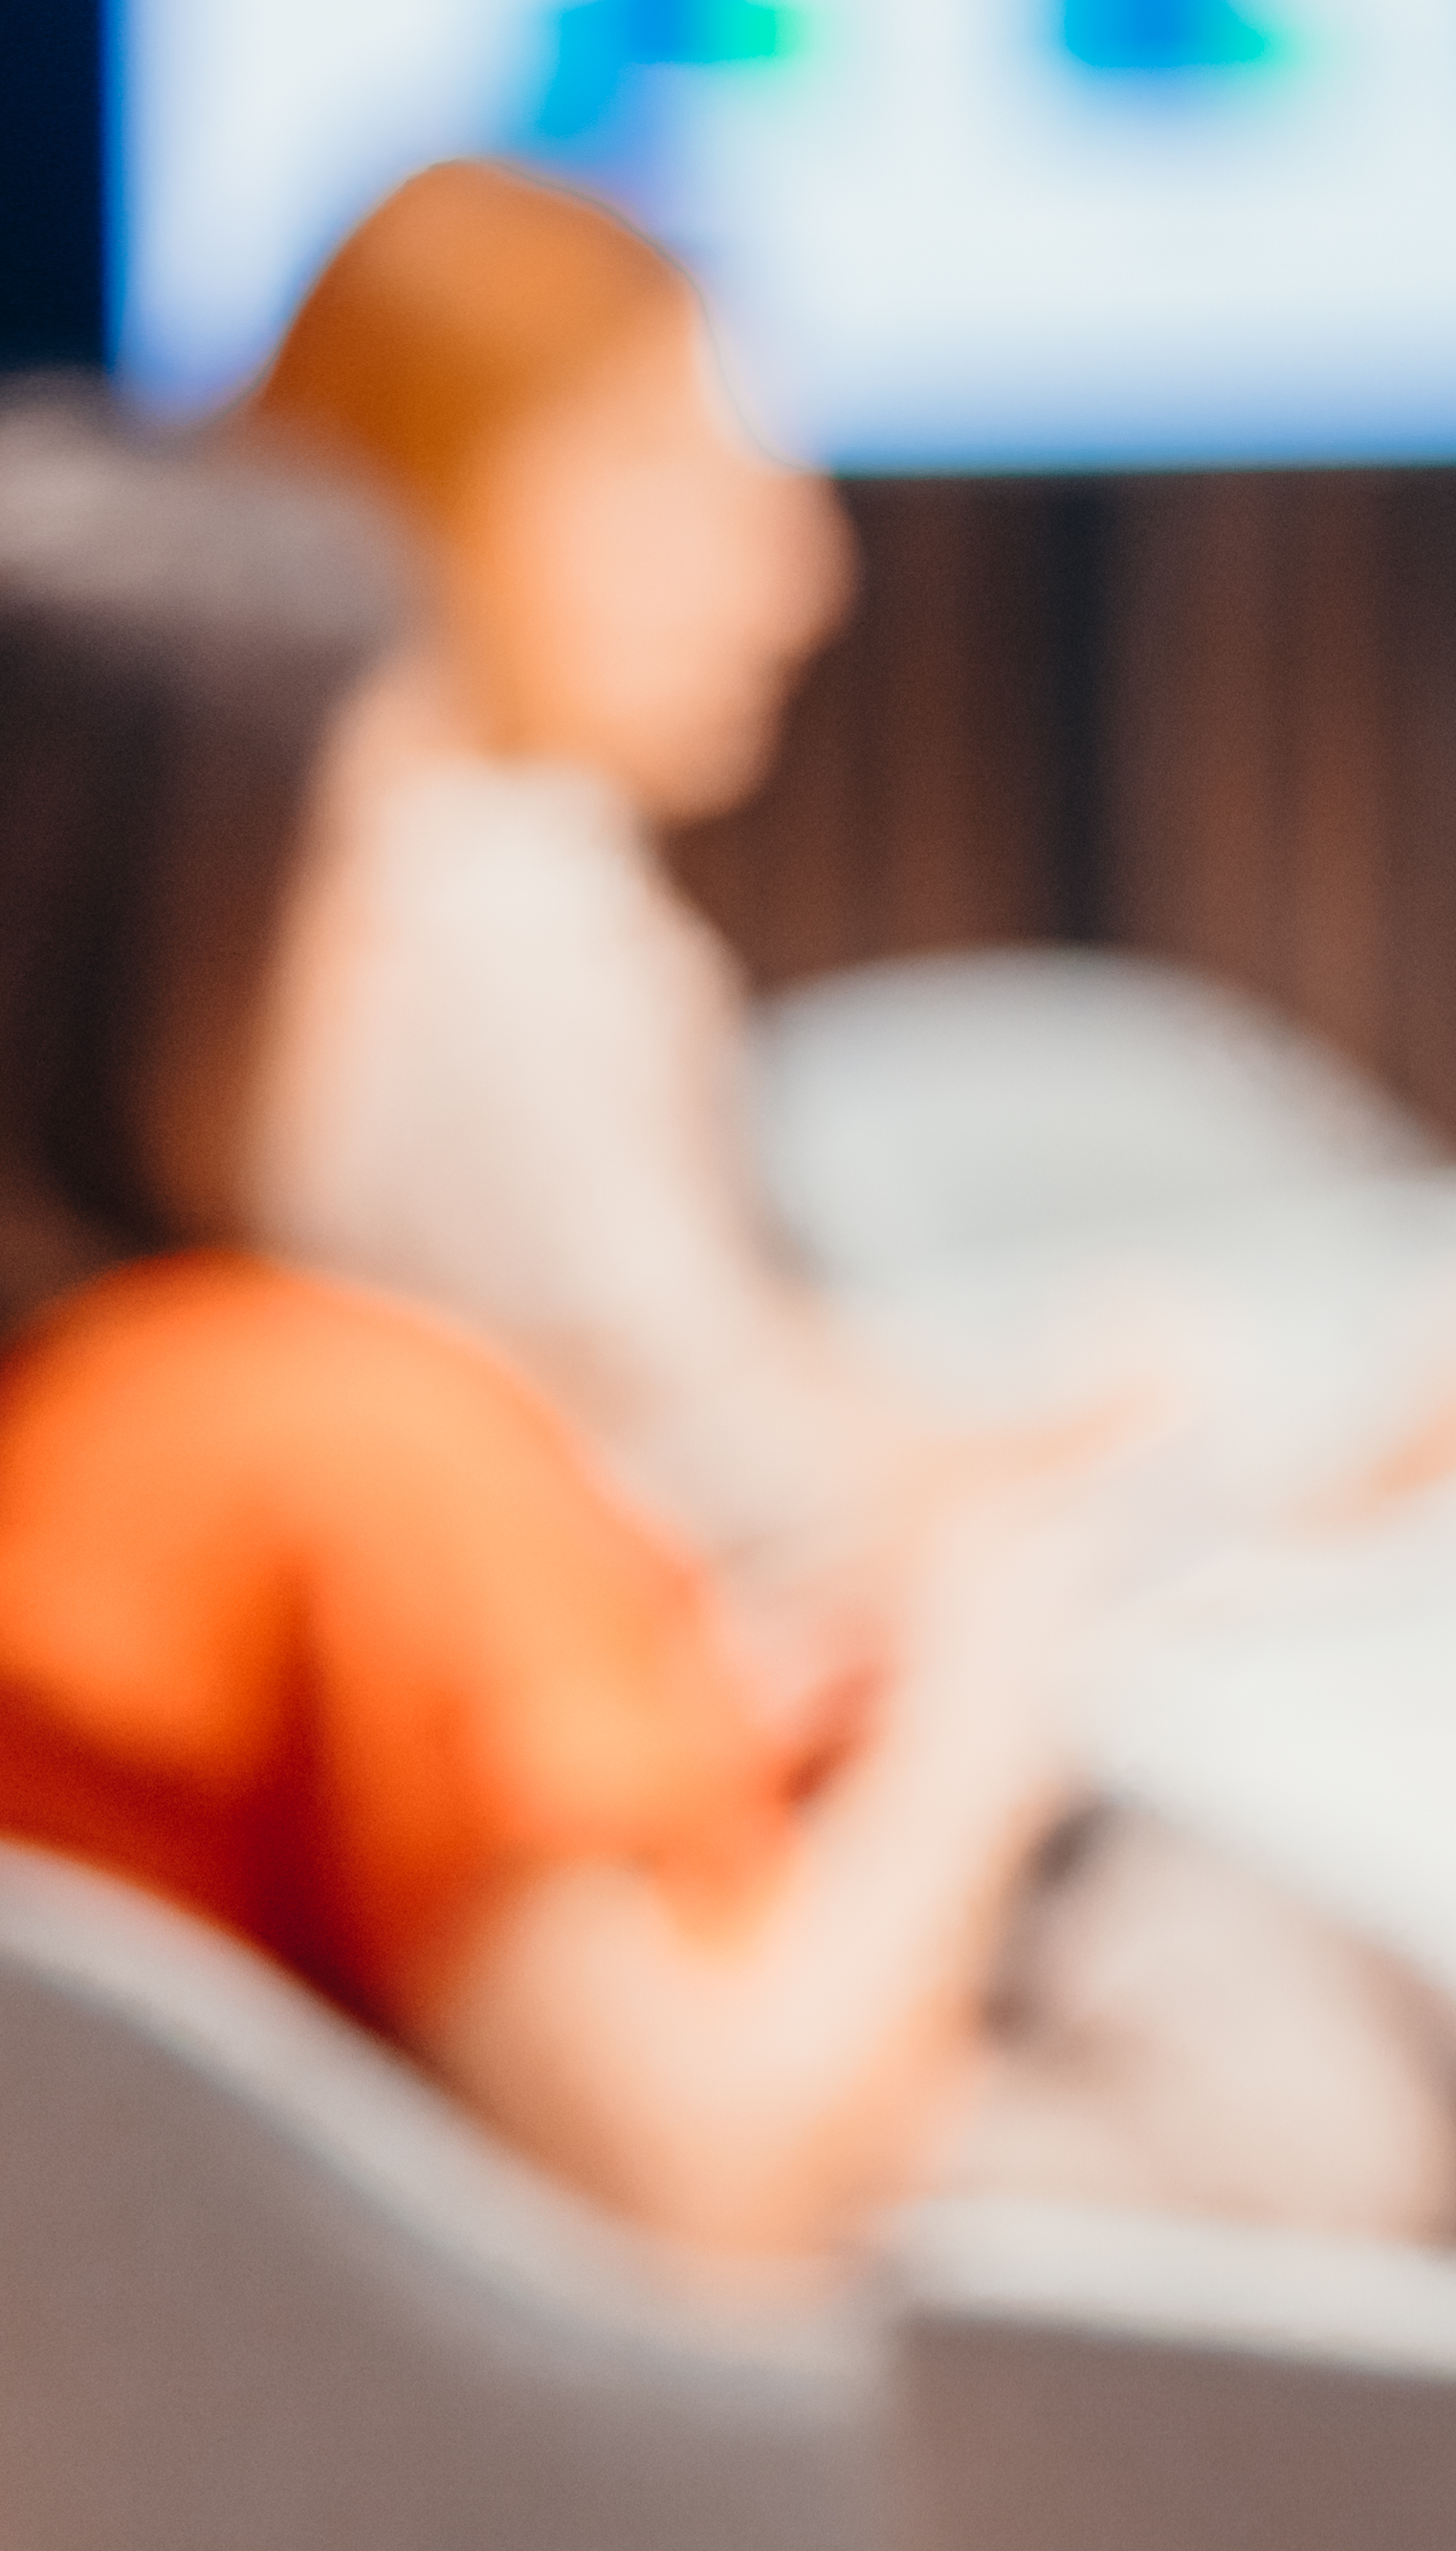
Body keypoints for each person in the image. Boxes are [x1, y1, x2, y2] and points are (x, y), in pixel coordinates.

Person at [0, 397, 1095, 2256]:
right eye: (358, 853)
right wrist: (993, 1696)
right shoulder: (329, 1442)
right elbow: (720, 2191)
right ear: (175, 924)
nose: (403, 942)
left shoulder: (129, 1427)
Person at [236, 157, 922, 1583]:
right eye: (689, 490)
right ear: (440, 476)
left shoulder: (299, 880)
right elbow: (738, 1508)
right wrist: (1198, 1484)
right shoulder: (486, 909)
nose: (800, 586)